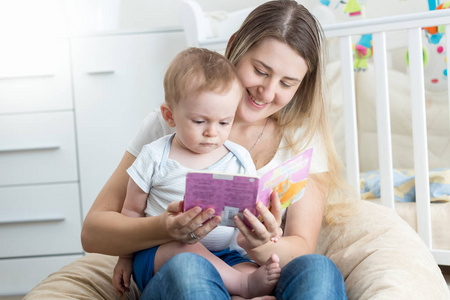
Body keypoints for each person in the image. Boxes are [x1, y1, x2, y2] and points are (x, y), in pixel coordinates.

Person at [111, 47, 282, 298]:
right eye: (200, 122)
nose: (212, 132)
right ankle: (242, 286)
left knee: (248, 269)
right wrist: (124, 258)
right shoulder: (154, 156)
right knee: (185, 249)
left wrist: (270, 229)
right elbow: (131, 212)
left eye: (224, 122)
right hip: (162, 252)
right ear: (170, 116)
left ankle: (240, 288)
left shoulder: (239, 158)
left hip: (225, 256)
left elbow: (253, 207)